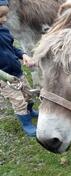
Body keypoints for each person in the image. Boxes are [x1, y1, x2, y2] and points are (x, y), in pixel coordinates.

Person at [0, 0, 37, 137]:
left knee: (27, 93)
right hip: (5, 79)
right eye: (0, 16)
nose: (4, 19)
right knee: (18, 100)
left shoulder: (3, 30)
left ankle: (30, 111)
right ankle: (26, 123)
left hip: (17, 72)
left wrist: (24, 55)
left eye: (5, 15)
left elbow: (12, 48)